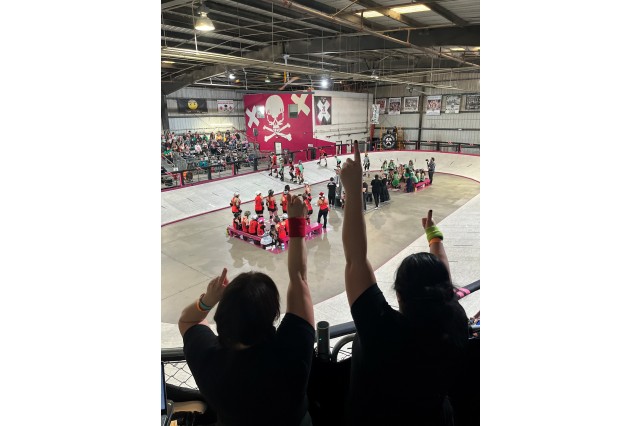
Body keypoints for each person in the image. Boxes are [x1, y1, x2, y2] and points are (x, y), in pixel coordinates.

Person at [339, 142, 468, 425]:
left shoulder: (382, 329)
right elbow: (441, 283)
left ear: (399, 295)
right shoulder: (453, 321)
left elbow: (355, 260)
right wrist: (433, 237)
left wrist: (352, 189)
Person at [178, 193, 315, 426]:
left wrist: (208, 301)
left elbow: (188, 322)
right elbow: (299, 278)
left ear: (222, 318)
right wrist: (296, 222)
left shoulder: (209, 362)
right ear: (272, 316)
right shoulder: (291, 352)